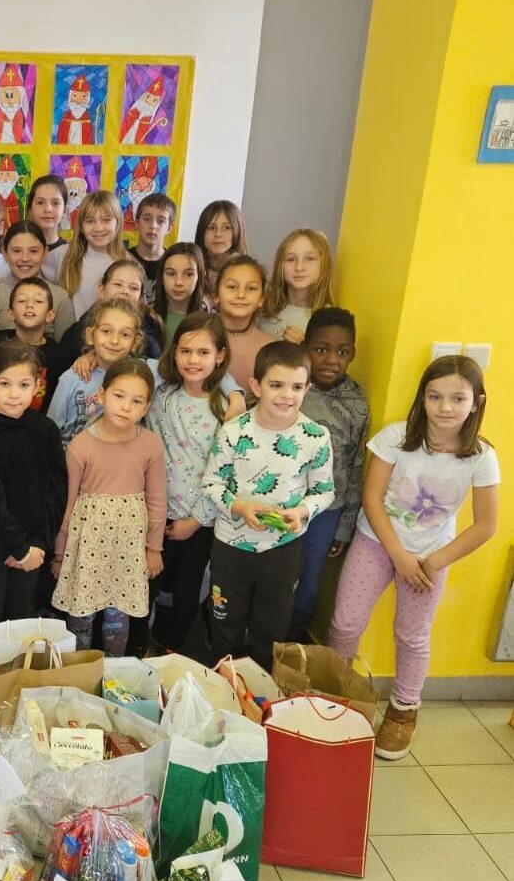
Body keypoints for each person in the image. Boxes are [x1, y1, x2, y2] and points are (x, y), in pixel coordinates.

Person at [328, 356, 498, 759]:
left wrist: (433, 562)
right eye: (435, 396)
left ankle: (404, 710)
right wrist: (398, 554)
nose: (445, 406)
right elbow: (371, 499)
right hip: (378, 541)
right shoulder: (395, 438)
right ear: (422, 398)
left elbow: (485, 526)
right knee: (345, 623)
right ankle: (332, 695)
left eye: (458, 398)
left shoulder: (481, 457)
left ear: (476, 402)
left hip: (430, 557)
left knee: (413, 634)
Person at [201, 341, 335, 669]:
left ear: (308, 389)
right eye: (276, 385)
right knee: (224, 624)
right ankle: (223, 683)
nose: (286, 395)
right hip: (231, 547)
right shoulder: (234, 431)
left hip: (283, 550)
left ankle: (261, 689)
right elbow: (211, 484)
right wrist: (239, 507)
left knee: (272, 629)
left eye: (297, 387)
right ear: (256, 386)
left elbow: (324, 492)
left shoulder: (315, 437)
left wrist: (302, 512)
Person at [0, 341, 67, 725]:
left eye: (23, 385)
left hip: (34, 546)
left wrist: (38, 544)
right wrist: (16, 546)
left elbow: (55, 492)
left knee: (20, 615)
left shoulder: (45, 430)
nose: (14, 394)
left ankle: (13, 688)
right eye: (5, 384)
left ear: (37, 386)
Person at [52, 358, 166, 657]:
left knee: (119, 615)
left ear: (146, 407)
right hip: (86, 544)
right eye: (119, 396)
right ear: (101, 395)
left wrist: (154, 548)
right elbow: (67, 504)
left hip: (127, 546)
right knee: (81, 614)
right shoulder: (80, 446)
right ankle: (79, 670)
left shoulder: (151, 445)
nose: (126, 406)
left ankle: (114, 671)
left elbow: (157, 500)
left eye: (136, 400)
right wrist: (60, 554)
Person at [146, 314, 245, 651]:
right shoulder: (162, 396)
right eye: (185, 351)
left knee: (188, 592)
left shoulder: (226, 409)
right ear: (174, 353)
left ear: (219, 356)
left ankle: (173, 650)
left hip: (200, 521)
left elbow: (226, 473)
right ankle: (141, 647)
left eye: (203, 352)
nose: (192, 360)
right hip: (157, 514)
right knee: (149, 586)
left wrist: (196, 520)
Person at [289, 308, 370, 640]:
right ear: (306, 347)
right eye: (321, 349)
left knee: (308, 585)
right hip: (281, 504)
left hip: (326, 512)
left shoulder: (356, 403)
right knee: (272, 580)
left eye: (342, 351)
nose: (331, 360)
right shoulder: (291, 388)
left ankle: (288, 646)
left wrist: (346, 526)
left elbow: (355, 466)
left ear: (352, 354)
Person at [47, 298, 139, 445]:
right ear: (90, 335)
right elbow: (50, 430)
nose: (114, 340)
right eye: (106, 331)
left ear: (135, 342)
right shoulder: (71, 378)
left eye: (125, 334)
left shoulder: (142, 377)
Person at [0, 220, 76, 340]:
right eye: (17, 251)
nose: (25, 258)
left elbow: (66, 351)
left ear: (45, 253)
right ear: (4, 252)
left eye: (33, 251)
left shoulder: (59, 298)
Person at [0, 277, 71, 412]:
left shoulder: (59, 355)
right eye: (22, 300)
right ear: (11, 313)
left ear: (50, 315)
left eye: (38, 301)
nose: (29, 305)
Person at [60, 258, 163, 361]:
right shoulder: (76, 333)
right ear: (101, 290)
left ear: (140, 298)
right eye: (118, 284)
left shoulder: (150, 336)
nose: (125, 291)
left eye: (134, 288)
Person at [43, 190, 125, 315]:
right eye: (90, 221)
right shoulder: (62, 255)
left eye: (106, 220)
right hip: (70, 333)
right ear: (81, 226)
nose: (98, 228)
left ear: (118, 223)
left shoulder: (127, 263)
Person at [258, 228, 335, 343]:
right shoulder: (264, 308)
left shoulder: (329, 318)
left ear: (323, 265)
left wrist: (306, 345)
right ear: (280, 265)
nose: (299, 267)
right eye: (291, 259)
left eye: (310, 259)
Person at [215, 255, 276, 387]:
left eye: (251, 288)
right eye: (232, 287)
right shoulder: (197, 338)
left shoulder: (270, 348)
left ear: (261, 299)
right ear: (216, 294)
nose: (241, 295)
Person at [154, 242, 209, 347]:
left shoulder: (208, 322)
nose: (178, 282)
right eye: (171, 274)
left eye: (188, 274)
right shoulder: (147, 318)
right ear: (161, 277)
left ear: (200, 277)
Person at [129, 193, 176, 305]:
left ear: (169, 227)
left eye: (160, 221)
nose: (153, 226)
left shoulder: (174, 262)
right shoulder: (124, 259)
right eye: (147, 219)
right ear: (137, 223)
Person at [194, 200, 248, 297]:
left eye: (226, 228)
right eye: (211, 227)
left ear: (237, 231)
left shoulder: (248, 273)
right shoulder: (191, 269)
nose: (218, 234)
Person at [27, 174, 69, 261]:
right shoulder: (16, 250)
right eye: (40, 202)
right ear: (30, 209)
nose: (48, 209)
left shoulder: (70, 253)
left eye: (55, 203)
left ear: (64, 210)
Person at [56, 73, 95, 144]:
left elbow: (88, 137)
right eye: (75, 95)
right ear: (70, 96)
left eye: (83, 96)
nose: (78, 100)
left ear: (87, 98)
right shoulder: (66, 116)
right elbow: (61, 134)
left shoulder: (86, 117)